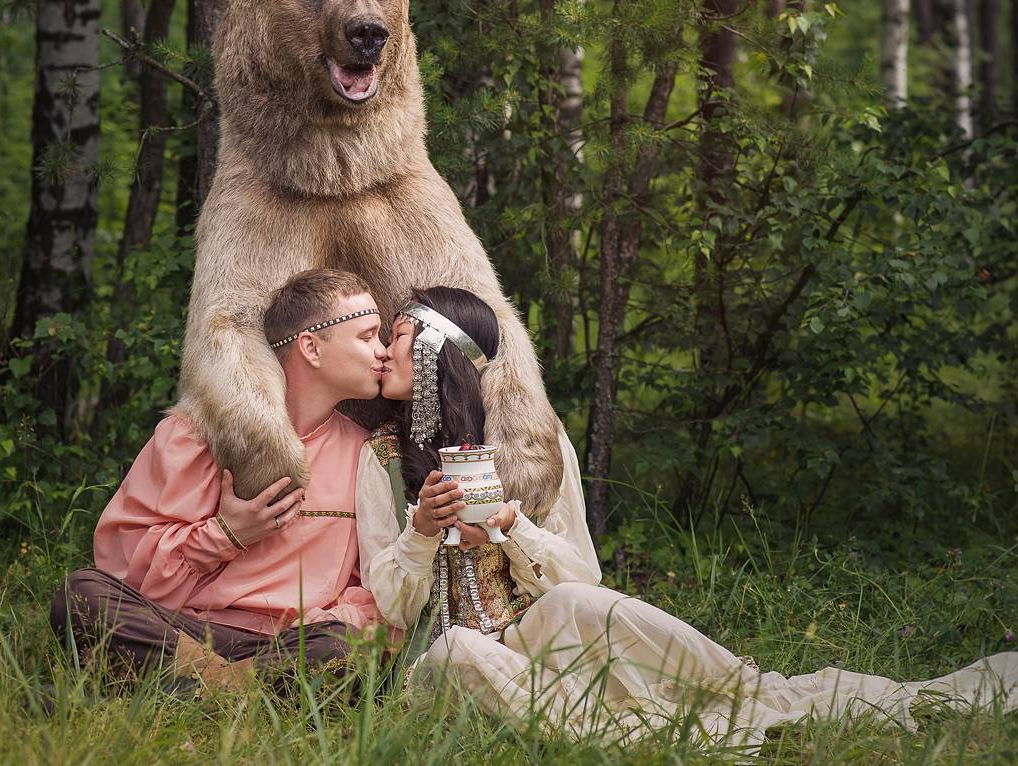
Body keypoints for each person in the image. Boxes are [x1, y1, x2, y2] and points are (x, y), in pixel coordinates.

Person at [355, 286, 1018, 750]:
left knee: (581, 602)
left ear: (438, 352)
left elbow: (582, 573)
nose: (385, 348)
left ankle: (751, 696)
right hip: (446, 666)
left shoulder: (533, 446)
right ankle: (654, 736)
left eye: (400, 335)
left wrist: (510, 527)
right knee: (456, 650)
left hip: (534, 645)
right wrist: (421, 535)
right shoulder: (380, 459)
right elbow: (385, 605)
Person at [51, 269, 388, 693]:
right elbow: (125, 573)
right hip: (186, 634)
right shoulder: (197, 433)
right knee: (81, 593)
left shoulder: (369, 455)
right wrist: (225, 534)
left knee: (341, 647)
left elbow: (376, 591)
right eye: (368, 336)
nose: (384, 352)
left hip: (290, 646)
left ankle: (180, 693)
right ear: (311, 347)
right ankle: (234, 691)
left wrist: (323, 625)